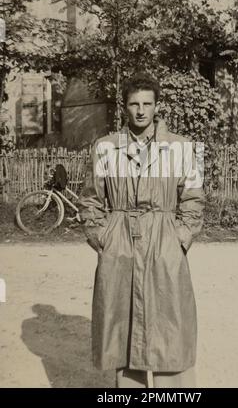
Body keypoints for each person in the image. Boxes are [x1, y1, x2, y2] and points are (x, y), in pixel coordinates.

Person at [77, 72, 205, 388]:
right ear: (124, 107)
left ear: (157, 106)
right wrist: (102, 237)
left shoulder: (182, 147)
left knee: (169, 328)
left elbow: (193, 198)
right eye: (134, 104)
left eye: (147, 103)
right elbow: (90, 199)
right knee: (123, 332)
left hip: (165, 243)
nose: (141, 111)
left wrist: (180, 238)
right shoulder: (105, 147)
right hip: (119, 242)